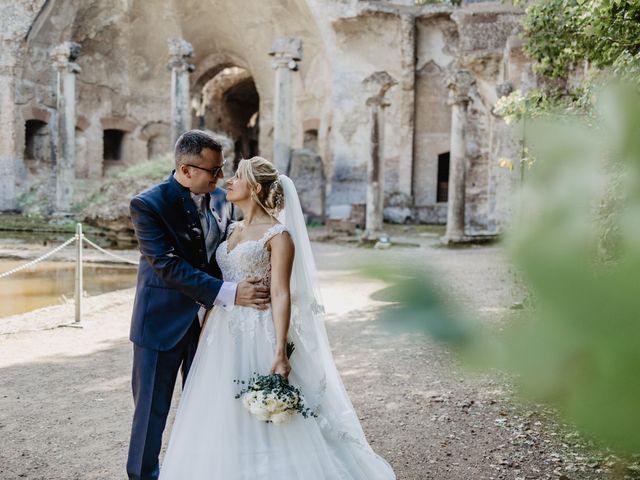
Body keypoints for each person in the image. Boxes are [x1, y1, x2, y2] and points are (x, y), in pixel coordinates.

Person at [159, 156, 396, 479]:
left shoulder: (278, 235)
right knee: (221, 408)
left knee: (266, 408)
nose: (228, 181)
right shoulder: (231, 227)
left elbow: (282, 293)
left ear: (255, 187)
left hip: (260, 329)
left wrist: (280, 352)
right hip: (220, 331)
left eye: (238, 177)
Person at [126, 130, 270, 480]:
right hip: (161, 322)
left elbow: (222, 253)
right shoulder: (147, 204)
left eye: (222, 169)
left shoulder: (220, 199)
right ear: (186, 169)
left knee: (209, 406)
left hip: (213, 324)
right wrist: (231, 292)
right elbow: (168, 265)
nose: (220, 178)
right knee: (151, 414)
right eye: (213, 171)